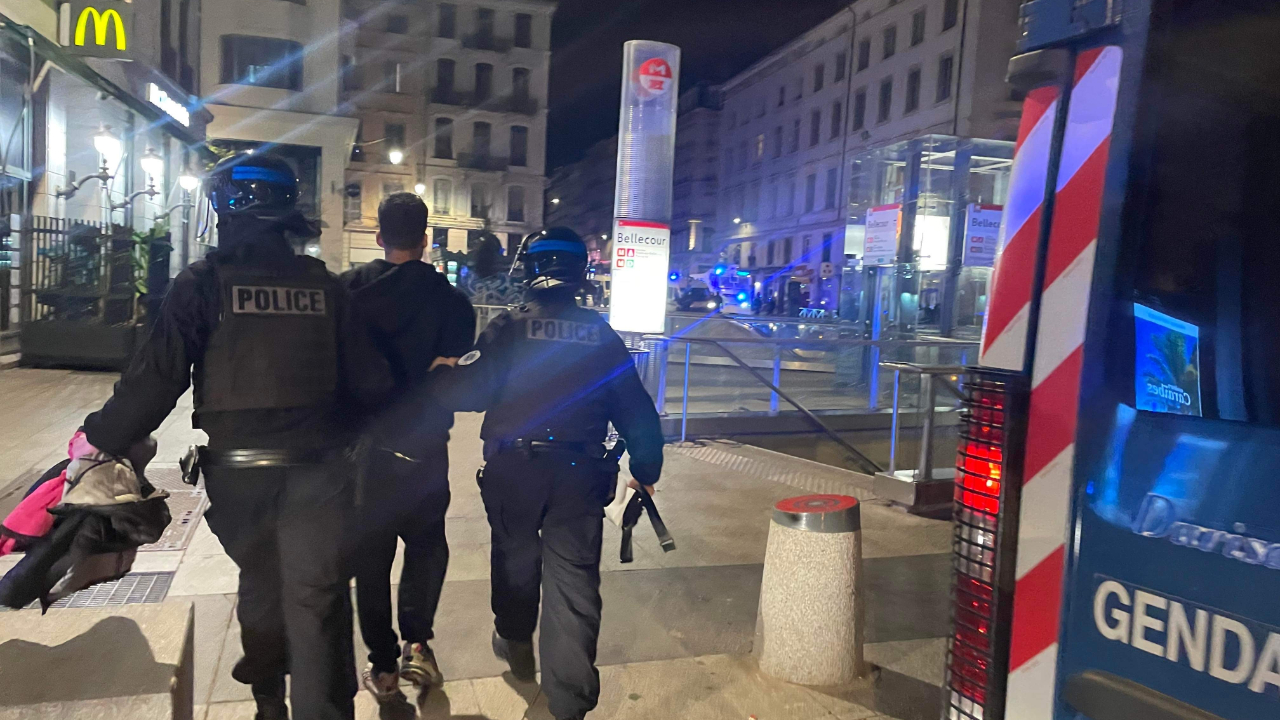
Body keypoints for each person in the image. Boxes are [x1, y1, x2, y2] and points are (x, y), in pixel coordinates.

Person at [81, 153, 392, 720]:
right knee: (315, 599)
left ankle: (268, 698)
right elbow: (371, 384)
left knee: (260, 580)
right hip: (316, 474)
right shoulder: (324, 287)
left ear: (225, 207)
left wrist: (101, 435)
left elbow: (158, 376)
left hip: (237, 477)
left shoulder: (203, 283)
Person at [409, 227, 664, 720]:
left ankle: (514, 639)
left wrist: (443, 371)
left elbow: (469, 392)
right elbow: (636, 409)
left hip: (515, 470)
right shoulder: (600, 334)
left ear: (529, 269)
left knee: (514, 561)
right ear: (579, 275)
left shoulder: (508, 327)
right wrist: (646, 468)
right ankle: (567, 703)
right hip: (579, 473)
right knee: (573, 582)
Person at [339, 192, 474, 703]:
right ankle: (418, 644)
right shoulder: (452, 302)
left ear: (378, 238)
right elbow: (458, 379)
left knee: (371, 559)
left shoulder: (349, 291)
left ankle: (381, 666)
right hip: (424, 449)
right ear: (425, 240)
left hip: (364, 451)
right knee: (425, 545)